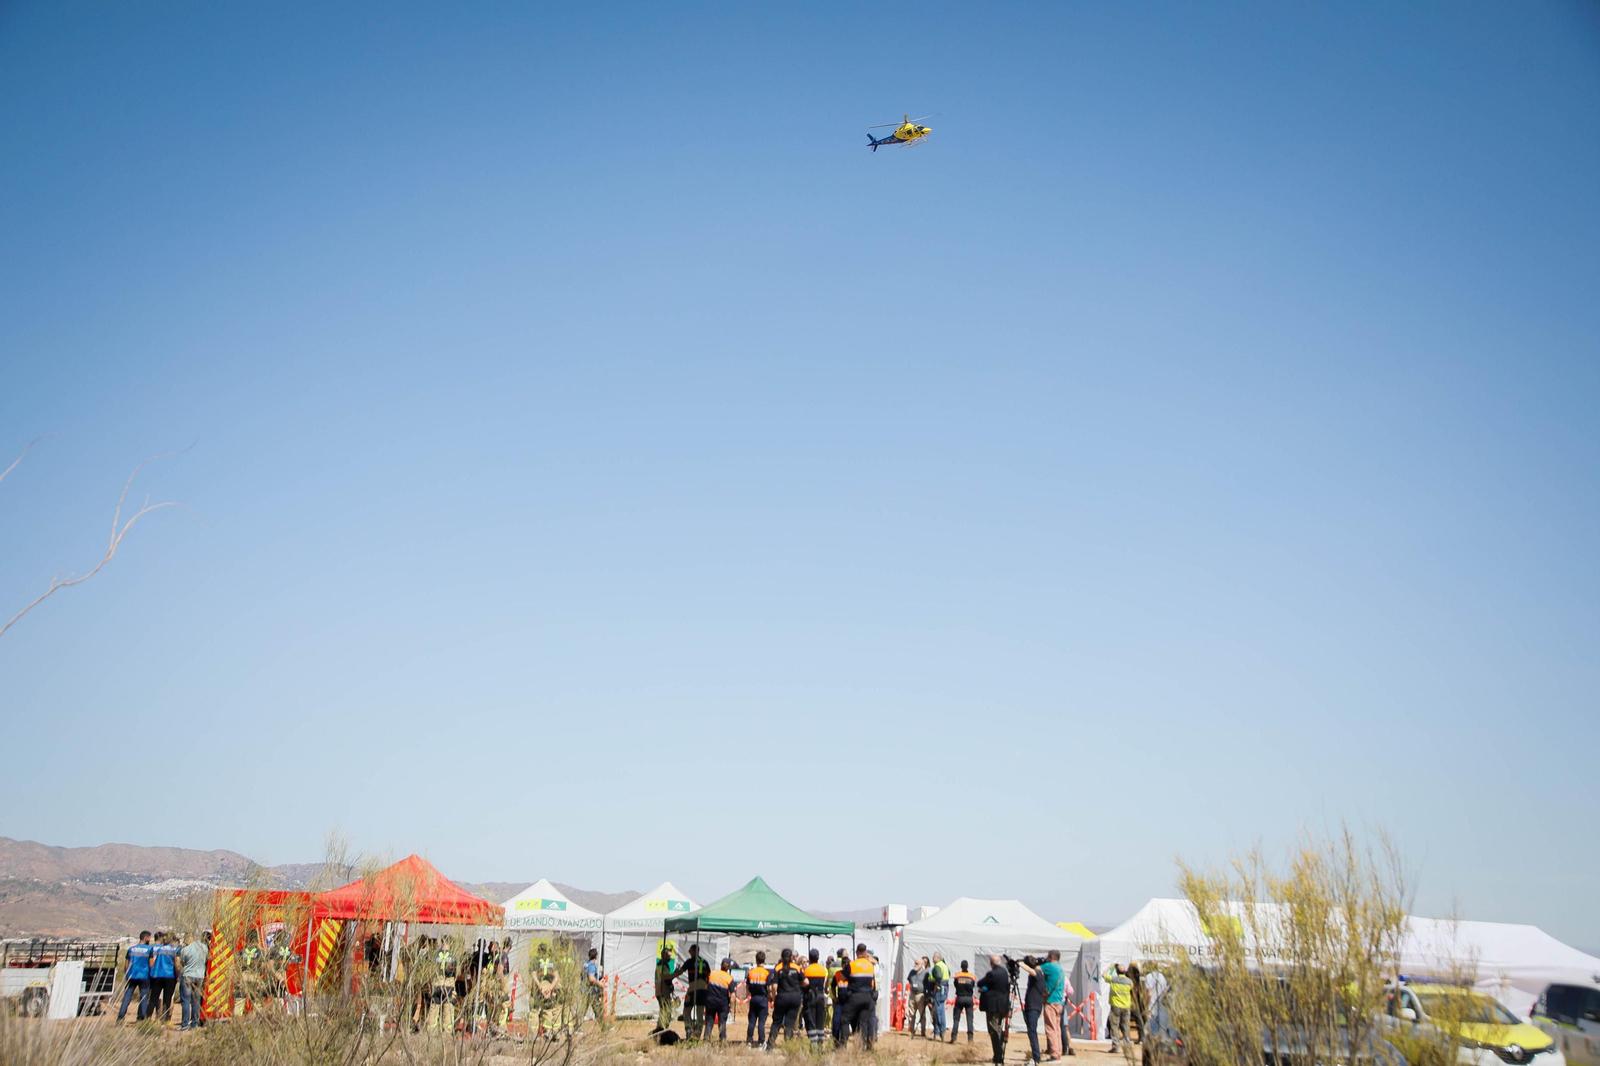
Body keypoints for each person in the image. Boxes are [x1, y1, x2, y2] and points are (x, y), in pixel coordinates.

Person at [837, 943, 877, 1048]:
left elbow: (842, 978)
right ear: (866, 952)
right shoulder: (870, 966)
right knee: (863, 1022)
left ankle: (843, 1044)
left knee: (845, 1019)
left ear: (856, 952)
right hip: (868, 997)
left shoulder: (852, 964)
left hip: (855, 996)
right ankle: (862, 1046)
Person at [978, 954, 1012, 1065]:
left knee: (993, 1030)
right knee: (998, 1028)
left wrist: (985, 989)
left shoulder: (992, 974)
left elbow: (980, 983)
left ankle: (998, 1055)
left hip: (993, 1006)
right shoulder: (1004, 972)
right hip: (1003, 1005)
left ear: (991, 963)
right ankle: (998, 1051)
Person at [1039, 949, 1073, 1060]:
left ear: (1051, 957)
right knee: (1058, 1028)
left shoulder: (1050, 966)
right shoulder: (1061, 969)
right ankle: (1059, 1050)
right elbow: (1071, 991)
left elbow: (1036, 969)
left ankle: (1054, 1053)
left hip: (1051, 1002)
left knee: (1050, 1028)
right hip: (1060, 1002)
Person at [766, 947, 804, 1047]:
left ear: (782, 957)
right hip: (795, 997)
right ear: (791, 957)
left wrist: (774, 998)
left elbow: (774, 986)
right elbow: (805, 982)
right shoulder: (797, 967)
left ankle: (770, 1044)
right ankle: (788, 1045)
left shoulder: (778, 968)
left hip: (782, 997)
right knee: (790, 1024)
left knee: (777, 1022)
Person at [672, 943, 711, 1038]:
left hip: (693, 989)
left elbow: (680, 972)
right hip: (703, 990)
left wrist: (669, 977)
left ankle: (689, 1029)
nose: (689, 952)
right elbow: (709, 976)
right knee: (700, 1012)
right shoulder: (705, 962)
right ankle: (698, 1032)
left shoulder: (690, 962)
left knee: (687, 1010)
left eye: (690, 951)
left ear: (694, 951)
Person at [117, 931, 154, 1023]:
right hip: (144, 976)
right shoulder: (149, 949)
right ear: (145, 938)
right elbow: (151, 964)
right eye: (149, 938)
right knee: (143, 998)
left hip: (132, 976)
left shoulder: (131, 949)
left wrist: (127, 974)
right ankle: (141, 1018)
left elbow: (126, 964)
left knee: (127, 997)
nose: (150, 940)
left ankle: (120, 1017)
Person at [1016, 955, 1046, 1064]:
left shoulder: (1037, 973)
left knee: (1032, 1031)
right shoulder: (1037, 974)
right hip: (1031, 1006)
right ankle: (1035, 1055)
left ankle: (1036, 1057)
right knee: (1030, 1031)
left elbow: (1032, 972)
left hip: (1034, 1007)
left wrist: (1021, 964)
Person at [179, 930, 210, 1030]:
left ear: (187, 939)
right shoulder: (204, 948)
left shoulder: (185, 950)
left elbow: (182, 963)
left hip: (188, 976)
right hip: (200, 977)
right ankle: (194, 1023)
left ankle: (184, 1024)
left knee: (186, 1001)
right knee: (196, 1001)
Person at [149, 932, 180, 1025]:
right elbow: (177, 964)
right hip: (170, 976)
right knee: (167, 999)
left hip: (157, 975)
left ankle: (146, 1019)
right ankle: (166, 1021)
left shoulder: (157, 949)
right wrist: (177, 976)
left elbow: (152, 963)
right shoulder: (176, 949)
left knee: (153, 999)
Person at [1105, 963, 1135, 1054]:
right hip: (1126, 1006)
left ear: (1116, 972)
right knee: (1126, 1027)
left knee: (1115, 1026)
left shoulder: (1113, 979)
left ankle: (1115, 1046)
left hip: (1116, 1006)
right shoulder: (1129, 981)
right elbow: (1132, 989)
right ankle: (1127, 1046)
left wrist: (1111, 967)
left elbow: (1104, 975)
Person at [802, 948, 829, 1045]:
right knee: (820, 1019)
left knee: (811, 1019)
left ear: (810, 958)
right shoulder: (823, 969)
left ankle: (813, 1044)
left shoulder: (806, 970)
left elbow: (803, 984)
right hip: (820, 996)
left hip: (810, 997)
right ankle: (820, 1043)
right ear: (818, 958)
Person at [703, 958, 734, 1042]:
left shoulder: (712, 973)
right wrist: (731, 1007)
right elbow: (733, 994)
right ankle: (722, 1040)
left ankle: (706, 1039)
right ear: (728, 968)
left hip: (710, 1002)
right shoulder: (729, 978)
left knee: (709, 1021)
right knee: (722, 1022)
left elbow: (706, 986)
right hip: (722, 1004)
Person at [745, 951, 770, 1046]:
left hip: (753, 998)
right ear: (764, 960)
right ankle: (761, 1041)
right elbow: (769, 988)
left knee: (752, 1021)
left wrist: (748, 995)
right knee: (761, 1022)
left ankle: (749, 1040)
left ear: (756, 960)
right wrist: (770, 997)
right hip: (763, 998)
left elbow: (747, 987)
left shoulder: (751, 972)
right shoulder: (766, 973)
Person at [950, 960, 977, 1043]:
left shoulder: (957, 976)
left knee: (956, 1018)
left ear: (961, 967)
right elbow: (972, 986)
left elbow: (955, 985)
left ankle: (954, 1037)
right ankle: (970, 1039)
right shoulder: (972, 977)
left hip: (960, 997)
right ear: (967, 967)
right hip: (969, 998)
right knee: (970, 1019)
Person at [654, 941, 679, 1031]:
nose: (670, 957)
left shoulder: (665, 965)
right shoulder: (661, 964)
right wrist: (675, 974)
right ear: (664, 955)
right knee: (665, 1012)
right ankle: (660, 1030)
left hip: (665, 992)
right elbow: (663, 977)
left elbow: (667, 978)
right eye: (669, 956)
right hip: (661, 992)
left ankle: (662, 1029)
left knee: (666, 1012)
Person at [931, 953, 951, 1039]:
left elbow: (938, 976)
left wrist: (936, 984)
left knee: (937, 1010)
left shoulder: (938, 966)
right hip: (945, 986)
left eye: (934, 957)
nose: (933, 959)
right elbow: (949, 974)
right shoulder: (944, 965)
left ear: (938, 958)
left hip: (940, 987)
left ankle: (938, 1031)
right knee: (941, 1008)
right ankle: (942, 1030)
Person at [583, 947, 605, 1022]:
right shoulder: (592, 966)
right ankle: (604, 1027)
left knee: (582, 1010)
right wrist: (600, 984)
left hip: (584, 990)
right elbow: (591, 978)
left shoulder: (585, 964)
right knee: (597, 1008)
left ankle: (577, 1027)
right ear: (596, 956)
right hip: (591, 991)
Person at [922, 964, 943, 1039]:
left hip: (933, 997)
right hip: (929, 995)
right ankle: (936, 1030)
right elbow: (925, 984)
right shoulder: (928, 976)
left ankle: (937, 1030)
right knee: (932, 1014)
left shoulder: (934, 977)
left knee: (935, 1014)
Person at [907, 956, 927, 1035]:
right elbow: (909, 980)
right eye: (915, 963)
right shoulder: (912, 972)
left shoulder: (925, 973)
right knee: (911, 1013)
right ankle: (911, 1030)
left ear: (921, 964)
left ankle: (923, 1031)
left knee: (922, 1013)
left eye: (917, 963)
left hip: (920, 995)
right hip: (912, 994)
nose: (915, 965)